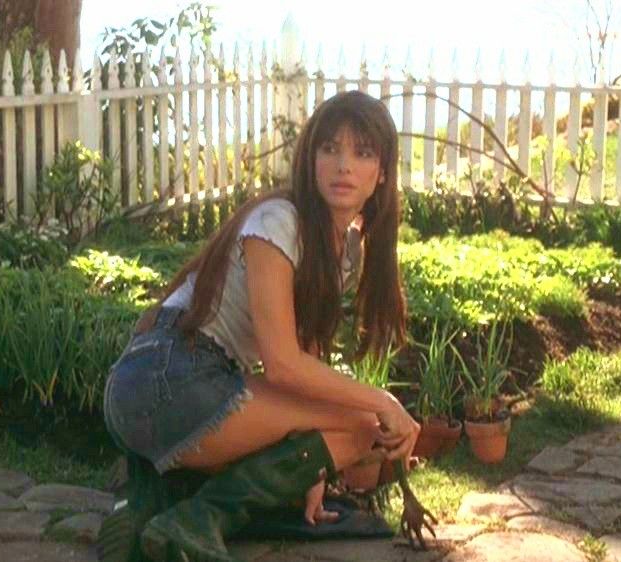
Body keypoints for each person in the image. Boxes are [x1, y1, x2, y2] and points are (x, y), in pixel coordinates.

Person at [101, 90, 420, 562]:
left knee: (353, 428)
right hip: (173, 376)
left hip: (166, 389)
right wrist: (384, 401)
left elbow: (305, 373)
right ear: (310, 160)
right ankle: (195, 520)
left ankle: (146, 498)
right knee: (367, 424)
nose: (343, 166)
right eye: (329, 148)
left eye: (362, 152)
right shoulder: (280, 221)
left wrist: (310, 468)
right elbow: (284, 368)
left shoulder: (343, 253)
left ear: (383, 174)